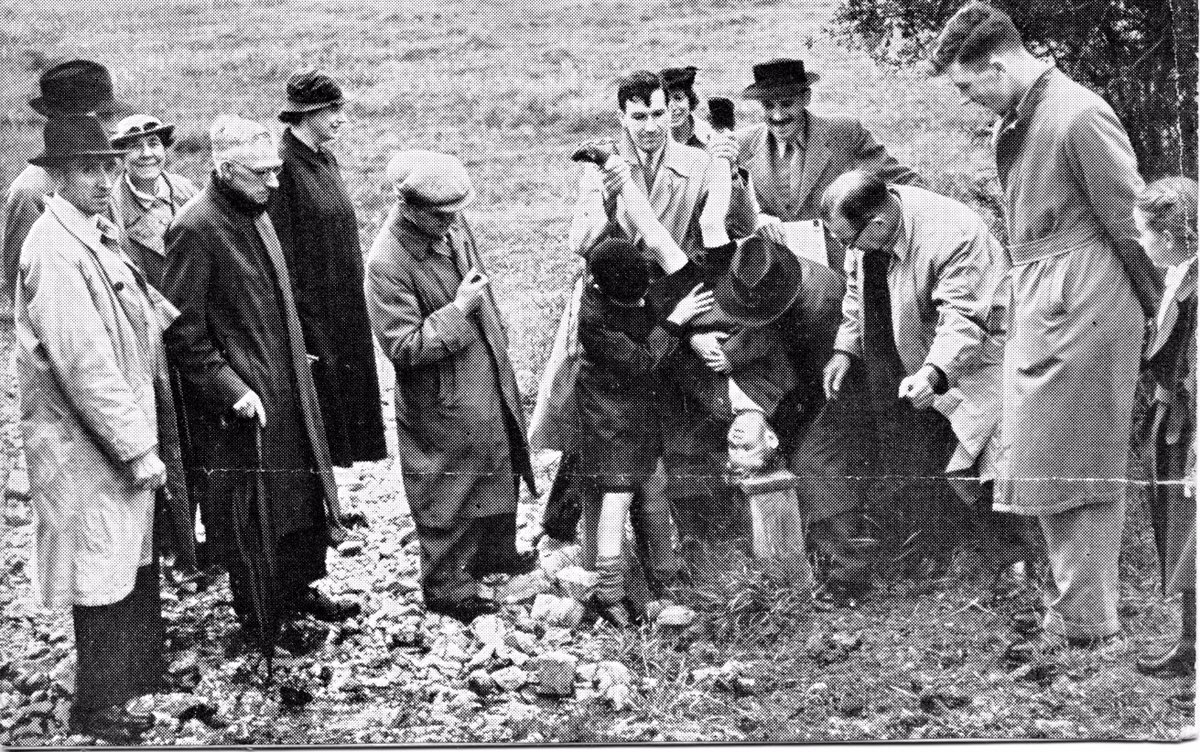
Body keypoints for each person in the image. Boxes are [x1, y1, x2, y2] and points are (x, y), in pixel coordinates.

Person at [930, 1, 1162, 648]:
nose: (966, 98)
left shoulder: (1078, 114)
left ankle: (1089, 627)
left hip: (1085, 301)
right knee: (1048, 463)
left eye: (966, 84)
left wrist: (1163, 313)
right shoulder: (1022, 112)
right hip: (1047, 299)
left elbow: (1134, 223)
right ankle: (1073, 614)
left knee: (1079, 465)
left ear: (997, 66)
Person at [164, 116, 359, 645]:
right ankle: (262, 617)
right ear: (225, 170)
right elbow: (182, 333)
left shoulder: (259, 211)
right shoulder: (195, 228)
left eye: (276, 170)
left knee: (301, 493)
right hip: (243, 404)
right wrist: (232, 390)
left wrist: (302, 355)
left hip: (288, 385)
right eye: (262, 173)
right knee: (254, 510)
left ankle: (300, 590)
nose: (275, 183)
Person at [17, 114, 177, 742]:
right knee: (99, 569)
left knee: (119, 560)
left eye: (109, 166)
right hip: (84, 441)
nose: (105, 180)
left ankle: (125, 686)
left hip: (107, 432)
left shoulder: (91, 233)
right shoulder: (54, 250)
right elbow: (84, 366)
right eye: (89, 169)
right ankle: (98, 703)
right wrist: (138, 448)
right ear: (56, 176)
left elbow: (137, 309)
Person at [820, 170, 1030, 583]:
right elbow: (855, 291)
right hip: (902, 340)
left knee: (977, 452)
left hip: (974, 358)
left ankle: (1009, 554)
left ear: (877, 225)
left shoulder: (954, 234)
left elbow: (965, 319)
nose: (845, 248)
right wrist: (846, 348)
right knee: (905, 441)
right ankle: (932, 542)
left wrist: (933, 374)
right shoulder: (866, 231)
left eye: (848, 241)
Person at [365, 150, 536, 624]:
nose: (453, 222)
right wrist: (459, 311)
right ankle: (445, 586)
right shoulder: (386, 261)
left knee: (499, 454)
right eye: (441, 215)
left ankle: (494, 554)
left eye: (456, 211)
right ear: (410, 208)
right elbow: (402, 347)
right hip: (439, 394)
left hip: (484, 370)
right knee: (447, 484)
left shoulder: (449, 223)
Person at [572, 237, 714, 625]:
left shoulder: (634, 288)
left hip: (640, 417)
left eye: (642, 295)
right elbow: (643, 361)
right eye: (631, 300)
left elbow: (654, 312)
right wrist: (675, 321)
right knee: (615, 502)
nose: (639, 303)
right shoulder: (592, 320)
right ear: (602, 288)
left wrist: (686, 324)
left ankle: (664, 581)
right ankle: (610, 592)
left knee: (654, 497)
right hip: (610, 420)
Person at [270, 69, 387, 469]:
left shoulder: (324, 159)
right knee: (317, 412)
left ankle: (336, 504)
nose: (341, 118)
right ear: (304, 115)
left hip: (344, 308)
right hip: (312, 315)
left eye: (341, 108)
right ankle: (322, 511)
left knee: (344, 411)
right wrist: (298, 328)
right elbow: (280, 254)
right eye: (331, 109)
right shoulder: (280, 168)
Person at [734, 58, 921, 272]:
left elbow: (904, 185)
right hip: (776, 283)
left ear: (806, 97)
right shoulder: (741, 145)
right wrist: (756, 219)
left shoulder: (844, 133)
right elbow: (726, 218)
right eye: (768, 105)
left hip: (844, 274)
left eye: (786, 104)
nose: (777, 116)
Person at [1133, 176, 1196, 678]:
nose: (1140, 242)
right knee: (1179, 534)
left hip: (1191, 427)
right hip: (1171, 419)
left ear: (1171, 238)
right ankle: (1190, 641)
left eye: (1145, 233)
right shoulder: (1178, 277)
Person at [3, 60, 132, 305]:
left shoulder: (104, 172)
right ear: (70, 120)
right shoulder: (30, 191)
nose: (114, 125)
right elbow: (22, 282)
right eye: (102, 115)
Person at [110, 114, 199, 288]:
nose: (147, 154)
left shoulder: (187, 189)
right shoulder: (111, 210)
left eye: (153, 143)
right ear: (120, 157)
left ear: (164, 149)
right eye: (135, 146)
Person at [661, 65, 714, 148]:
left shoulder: (710, 136)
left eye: (678, 98)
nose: (672, 107)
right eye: (665, 100)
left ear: (690, 100)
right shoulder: (652, 138)